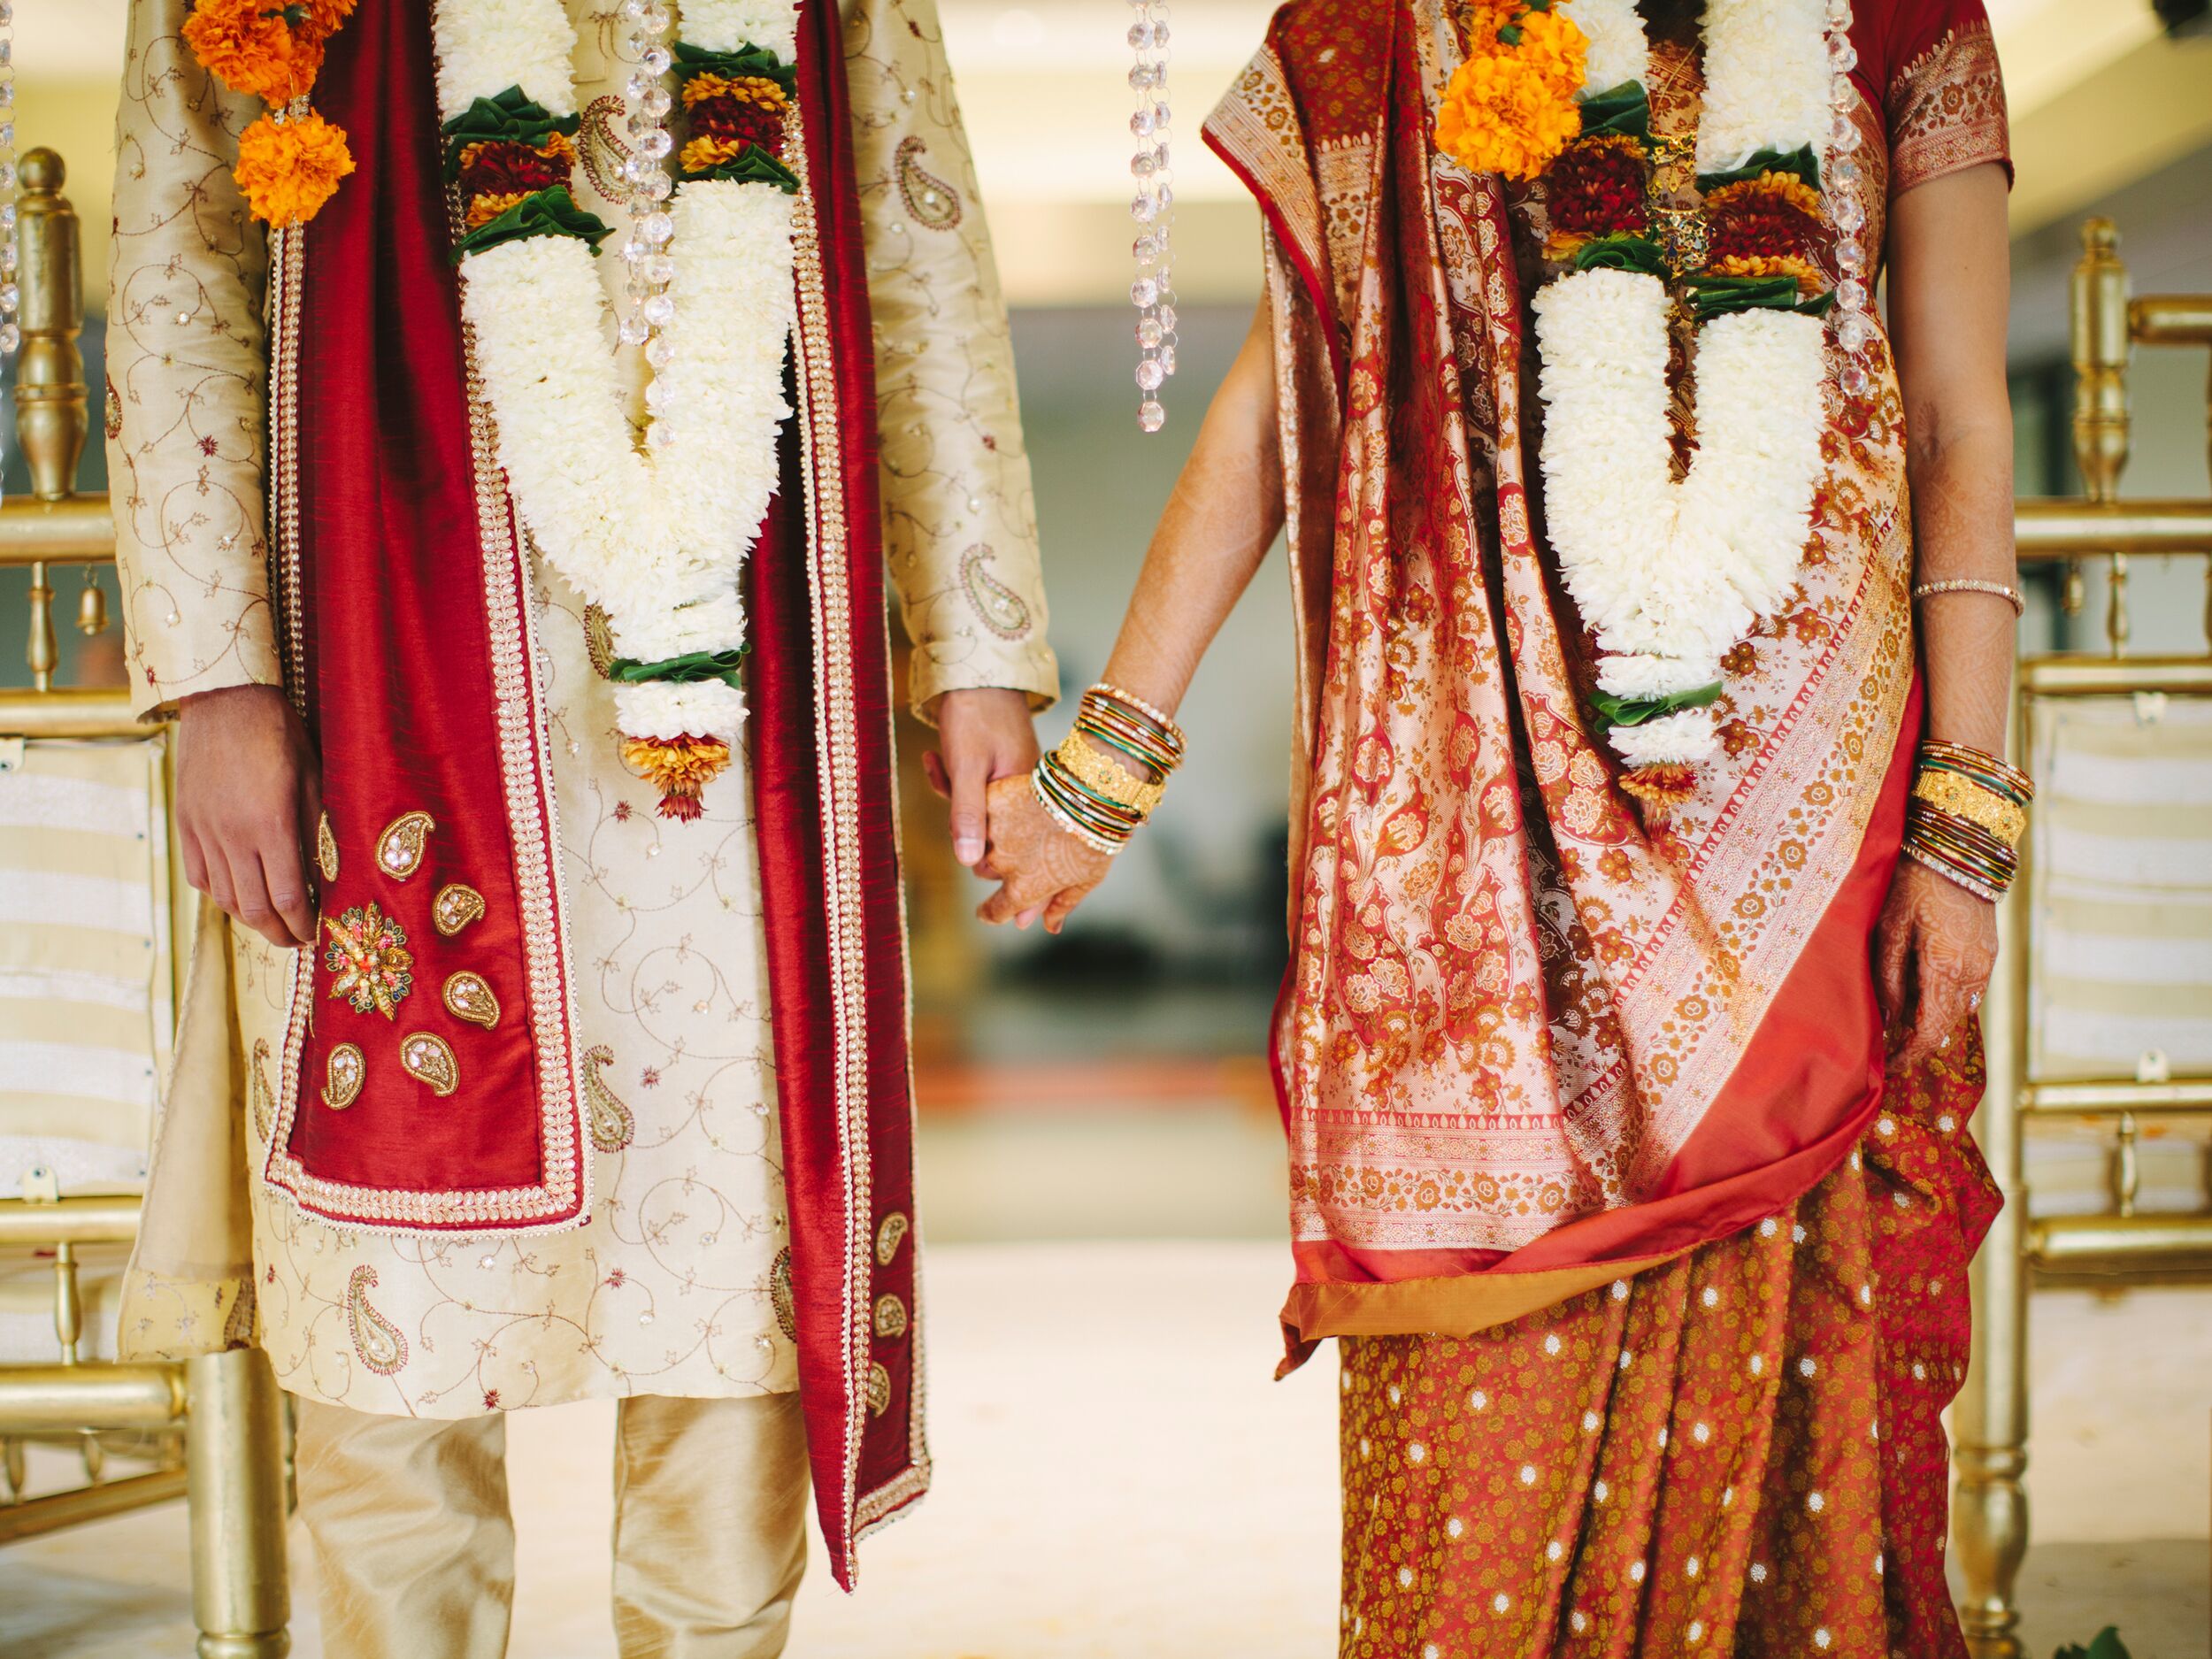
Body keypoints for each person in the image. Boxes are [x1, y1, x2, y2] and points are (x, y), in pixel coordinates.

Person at [979, 0, 2017, 1650]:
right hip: (1481, 817)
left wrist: (1965, 827)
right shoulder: (1393, 28)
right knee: (1470, 1457)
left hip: (1806, 815)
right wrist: (1109, 753)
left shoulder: (1901, 20)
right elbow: (1275, 401)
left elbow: (1964, 420)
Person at [106, 0, 1054, 1652]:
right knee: (389, 1337)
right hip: (380, 665)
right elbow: (180, 253)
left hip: (743, 679)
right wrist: (213, 679)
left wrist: (976, 651)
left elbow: (919, 249)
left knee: (735, 1295)